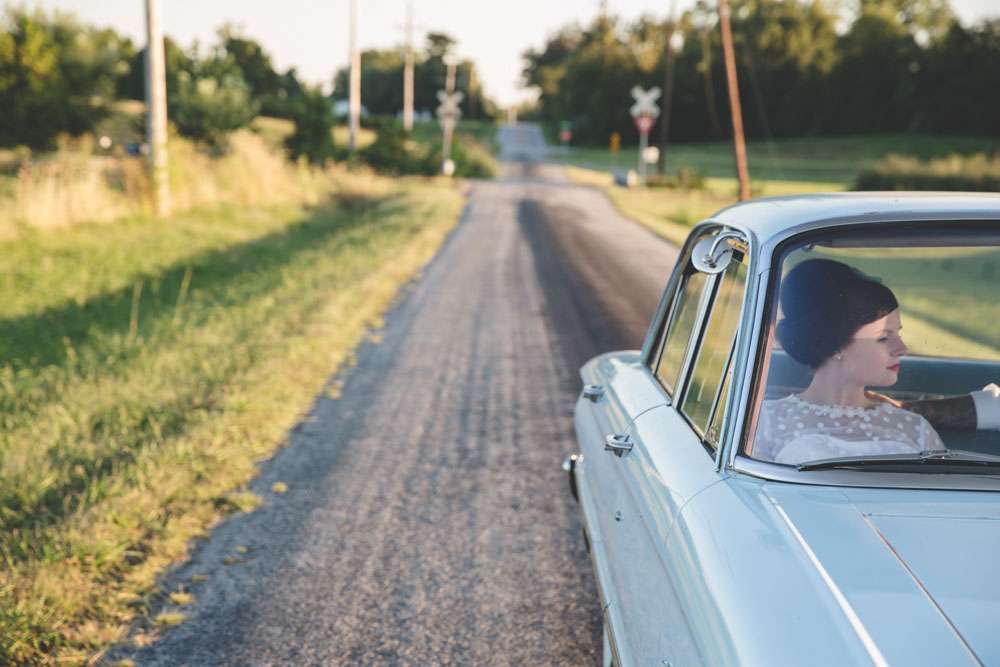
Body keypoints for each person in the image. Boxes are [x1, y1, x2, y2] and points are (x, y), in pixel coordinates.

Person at [754, 258, 946, 464]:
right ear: (835, 343)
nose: (902, 349)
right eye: (883, 338)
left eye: (897, 334)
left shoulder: (916, 428)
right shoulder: (764, 421)